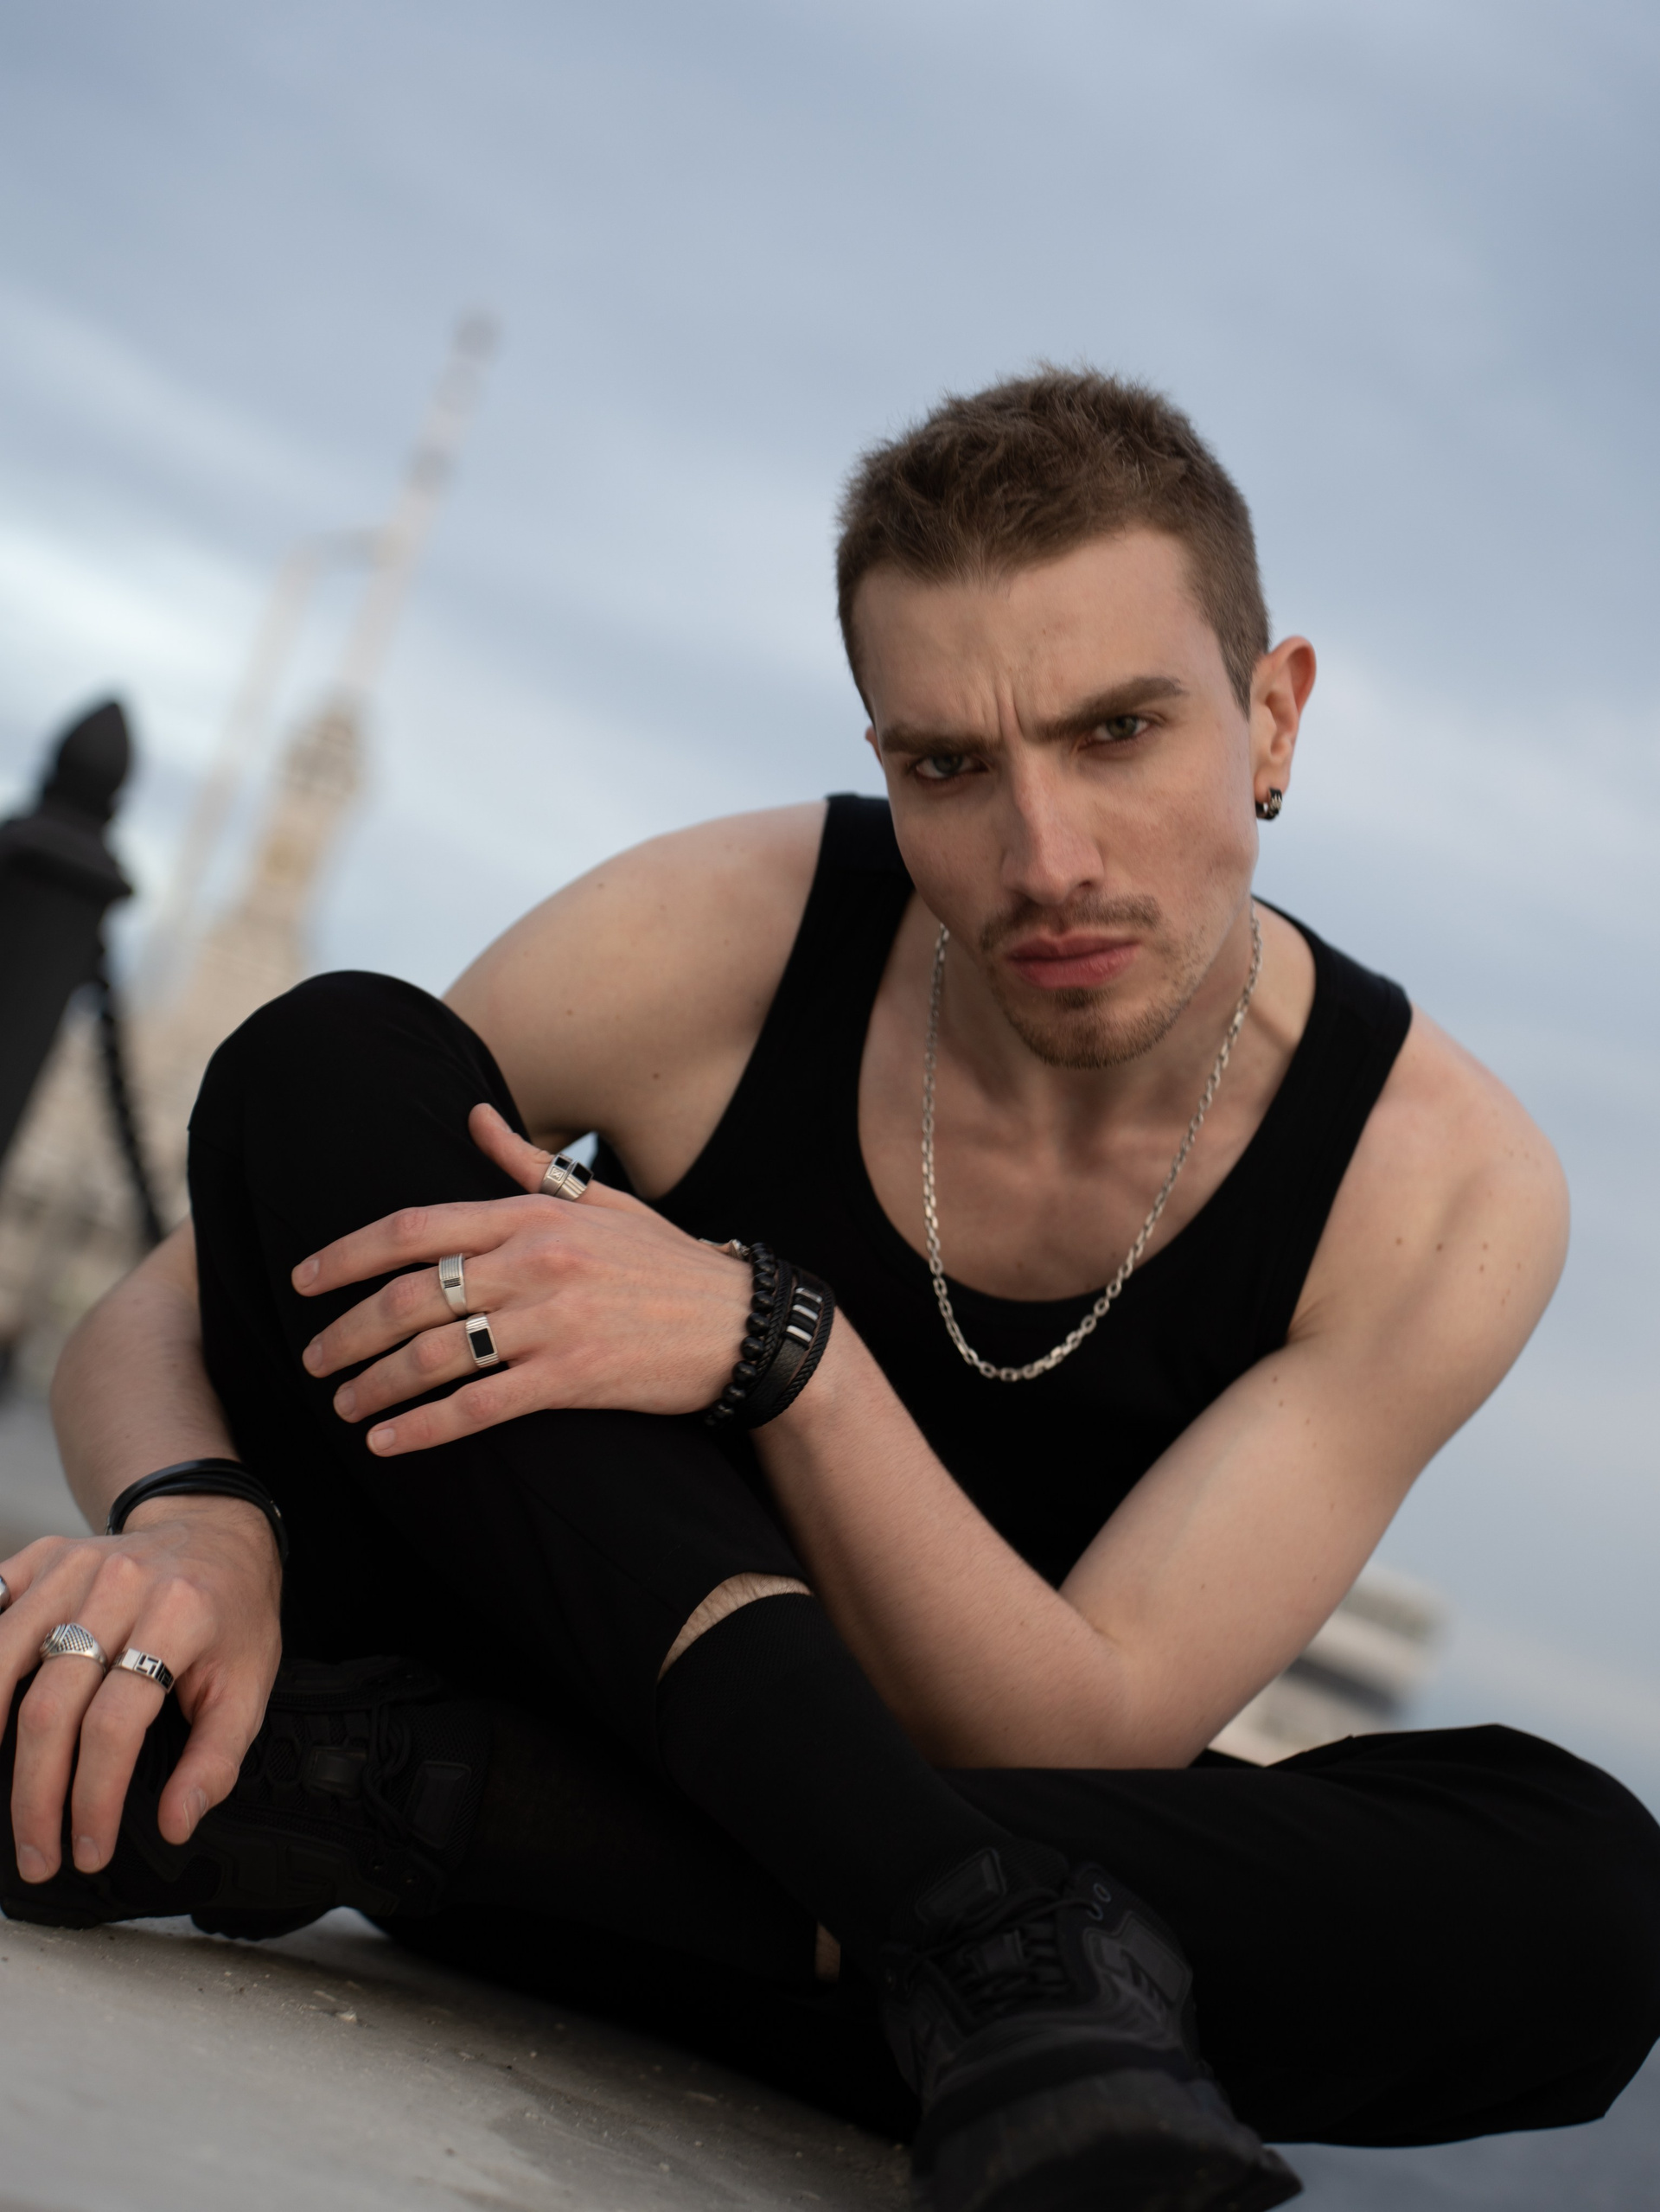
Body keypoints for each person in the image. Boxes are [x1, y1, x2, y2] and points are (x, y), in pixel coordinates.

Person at [3, 371, 1657, 2212]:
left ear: (1273, 717)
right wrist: (204, 1521)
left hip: (534, 1801)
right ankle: (961, 1933)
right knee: (324, 1058)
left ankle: (392, 1790)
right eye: (949, 766)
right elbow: (178, 1292)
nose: (1046, 859)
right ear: (884, 755)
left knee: (1589, 1896)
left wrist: (780, 1350)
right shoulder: (729, 928)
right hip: (876, 1913)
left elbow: (1076, 1728)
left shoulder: (1435, 1187)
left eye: (1118, 732)